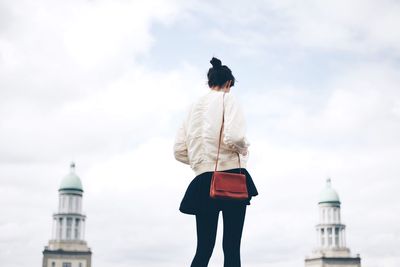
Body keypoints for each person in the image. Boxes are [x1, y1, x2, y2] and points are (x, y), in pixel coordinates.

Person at [173, 57, 258, 267]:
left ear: (210, 82)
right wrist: (243, 149)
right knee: (231, 248)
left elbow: (178, 151)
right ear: (228, 83)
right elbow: (235, 137)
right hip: (230, 177)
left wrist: (200, 163)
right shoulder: (228, 99)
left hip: (202, 181)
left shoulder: (192, 108)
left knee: (203, 248)